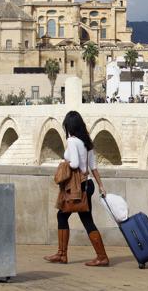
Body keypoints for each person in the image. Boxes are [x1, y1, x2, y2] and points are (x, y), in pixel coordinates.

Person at [43, 111, 109, 267]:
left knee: (63, 216)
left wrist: (63, 162)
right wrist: (101, 186)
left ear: (69, 126)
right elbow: (93, 167)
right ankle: (98, 256)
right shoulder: (87, 142)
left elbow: (73, 164)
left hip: (76, 188)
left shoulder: (72, 141)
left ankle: (64, 254)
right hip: (88, 185)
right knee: (83, 219)